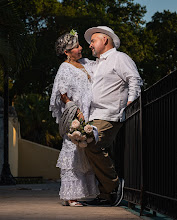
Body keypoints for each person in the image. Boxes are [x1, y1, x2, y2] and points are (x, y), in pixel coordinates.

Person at [83, 26, 142, 206]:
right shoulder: (98, 63)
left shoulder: (119, 58)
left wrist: (131, 103)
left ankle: (114, 185)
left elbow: (134, 79)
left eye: (93, 41)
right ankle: (106, 194)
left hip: (109, 114)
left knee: (91, 143)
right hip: (94, 115)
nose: (90, 45)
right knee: (93, 147)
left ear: (105, 40)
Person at [49, 30, 99, 207]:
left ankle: (82, 193)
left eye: (79, 45)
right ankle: (70, 196)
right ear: (67, 52)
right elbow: (62, 93)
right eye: (76, 47)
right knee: (72, 151)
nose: (80, 49)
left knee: (85, 152)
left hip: (89, 113)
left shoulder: (85, 64)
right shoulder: (65, 68)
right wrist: (75, 110)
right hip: (75, 115)